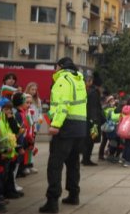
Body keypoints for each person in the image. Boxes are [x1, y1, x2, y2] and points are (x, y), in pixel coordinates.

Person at [39, 57, 87, 213]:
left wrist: (55, 125)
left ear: (59, 67)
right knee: (73, 163)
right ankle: (74, 195)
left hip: (65, 127)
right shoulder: (79, 80)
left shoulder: (62, 80)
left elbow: (62, 104)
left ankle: (52, 201)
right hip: (79, 128)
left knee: (55, 165)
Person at [82, 73, 104, 166]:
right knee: (91, 139)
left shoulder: (89, 91)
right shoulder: (94, 92)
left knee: (88, 140)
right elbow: (94, 107)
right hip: (93, 120)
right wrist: (95, 119)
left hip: (88, 119)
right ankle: (86, 159)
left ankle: (85, 158)